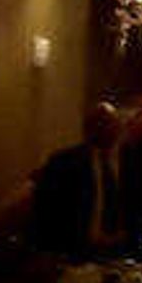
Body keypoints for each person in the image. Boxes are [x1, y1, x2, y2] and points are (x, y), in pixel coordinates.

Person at [21, 104, 120, 259]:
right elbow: (46, 208)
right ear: (90, 128)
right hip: (67, 252)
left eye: (114, 126)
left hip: (101, 254)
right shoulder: (65, 161)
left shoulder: (114, 166)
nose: (114, 131)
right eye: (107, 124)